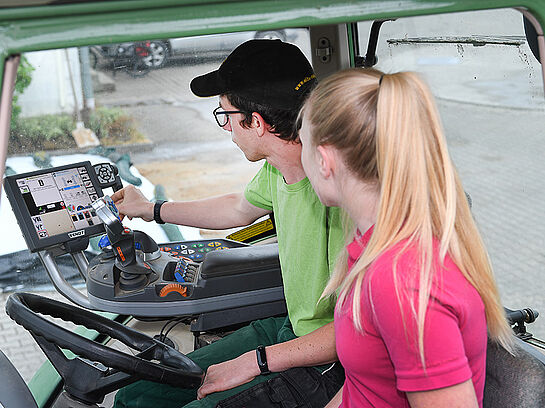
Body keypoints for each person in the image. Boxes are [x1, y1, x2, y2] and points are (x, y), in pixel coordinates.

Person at [112, 39, 345, 408]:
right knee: (138, 393)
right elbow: (236, 208)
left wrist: (255, 362)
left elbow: (360, 332)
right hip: (291, 329)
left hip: (328, 360)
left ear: (257, 122)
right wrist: (151, 209)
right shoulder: (278, 168)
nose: (227, 129)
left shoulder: (343, 198)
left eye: (227, 116)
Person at [295, 68, 514, 407]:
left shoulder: (400, 283)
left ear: (324, 160)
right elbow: (364, 387)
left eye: (304, 144)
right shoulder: (374, 248)